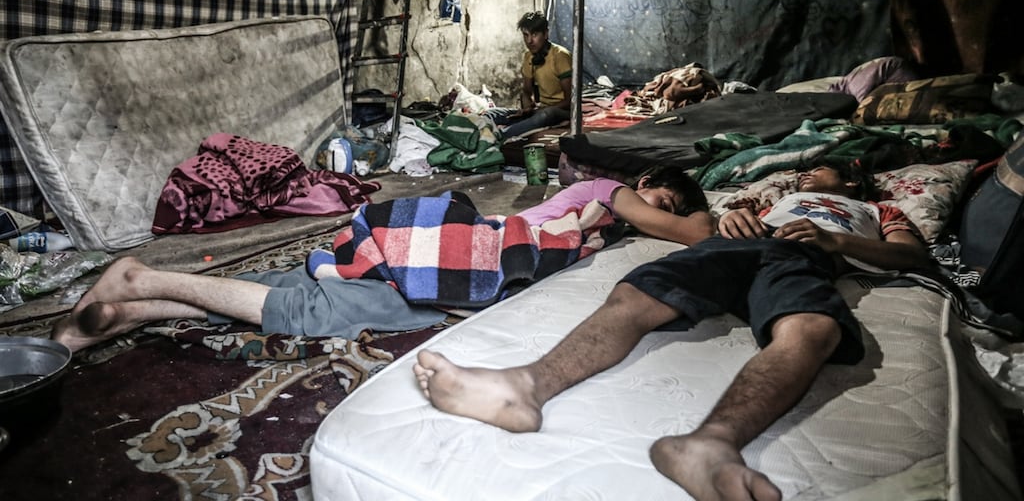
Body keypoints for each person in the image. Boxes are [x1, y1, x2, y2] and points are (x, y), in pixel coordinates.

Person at [413, 161, 933, 501]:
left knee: (815, 328)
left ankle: (711, 445)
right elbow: (711, 225)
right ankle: (523, 386)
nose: (804, 181)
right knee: (640, 289)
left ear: (850, 183)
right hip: (737, 245)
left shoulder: (875, 209)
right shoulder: (771, 201)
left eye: (817, 175)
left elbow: (913, 254)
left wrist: (837, 242)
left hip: (803, 256)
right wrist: (733, 220)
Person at [52, 167, 714, 354]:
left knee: (311, 273)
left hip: (457, 240)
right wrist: (705, 216)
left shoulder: (596, 208)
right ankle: (145, 276)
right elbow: (692, 236)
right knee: (326, 310)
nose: (649, 206)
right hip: (471, 251)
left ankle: (133, 308)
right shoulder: (606, 193)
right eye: (659, 195)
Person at [490, 11, 573, 140]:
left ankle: (501, 136)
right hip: (541, 110)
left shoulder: (560, 56)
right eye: (525, 35)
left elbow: (570, 100)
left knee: (546, 114)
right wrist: (527, 108)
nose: (529, 41)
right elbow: (526, 92)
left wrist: (540, 111)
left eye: (534, 35)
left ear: (545, 34)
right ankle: (477, 130)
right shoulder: (529, 57)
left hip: (561, 111)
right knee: (493, 113)